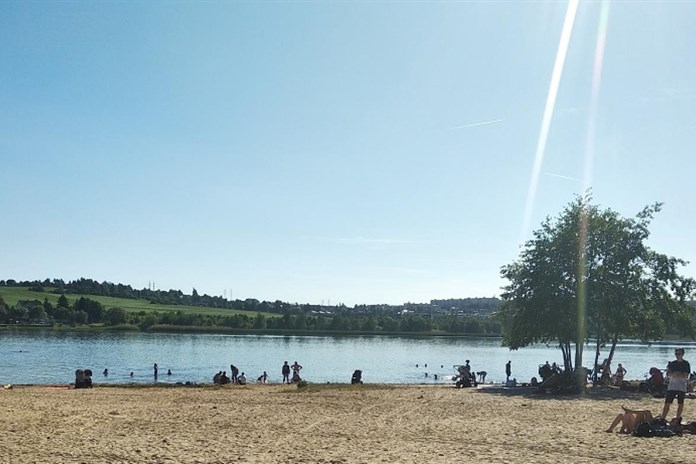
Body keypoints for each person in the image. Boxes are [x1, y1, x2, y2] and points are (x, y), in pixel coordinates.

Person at [661, 348, 691, 421]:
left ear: (682, 354)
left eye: (679, 354)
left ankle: (677, 418)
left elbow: (685, 375)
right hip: (672, 387)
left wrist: (675, 374)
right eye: (676, 354)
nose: (677, 356)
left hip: (681, 387)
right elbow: (668, 374)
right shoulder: (672, 364)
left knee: (680, 404)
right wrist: (679, 373)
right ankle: (662, 418)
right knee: (667, 403)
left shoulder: (686, 364)